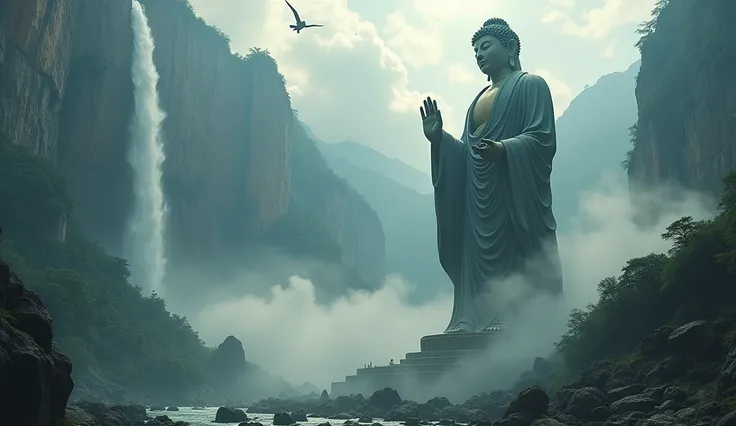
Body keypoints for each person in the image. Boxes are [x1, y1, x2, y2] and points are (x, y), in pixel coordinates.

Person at [419, 18, 563, 334]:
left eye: (486, 46)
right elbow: (467, 151)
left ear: (510, 47)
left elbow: (542, 138)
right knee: (473, 254)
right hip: (476, 195)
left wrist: (504, 149)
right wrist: (440, 140)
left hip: (512, 190)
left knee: (510, 247)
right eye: (475, 50)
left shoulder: (530, 85)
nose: (479, 55)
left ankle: (513, 311)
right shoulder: (478, 99)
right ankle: (469, 316)